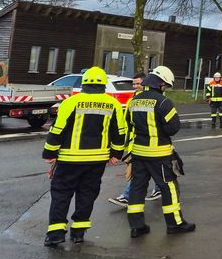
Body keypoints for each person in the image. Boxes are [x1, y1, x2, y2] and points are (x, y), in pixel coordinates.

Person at [43, 66, 127, 247]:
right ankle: (79, 232)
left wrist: (49, 153)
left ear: (84, 83)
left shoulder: (70, 102)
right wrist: (116, 154)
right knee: (87, 194)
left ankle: (56, 234)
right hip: (97, 160)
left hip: (69, 159)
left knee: (61, 194)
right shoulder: (113, 104)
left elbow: (57, 130)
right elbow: (120, 132)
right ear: (104, 84)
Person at [126, 65, 195, 236]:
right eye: (166, 86)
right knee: (169, 187)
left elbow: (129, 126)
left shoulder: (134, 101)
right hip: (159, 154)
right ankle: (175, 224)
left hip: (139, 153)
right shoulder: (163, 102)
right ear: (161, 84)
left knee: (137, 188)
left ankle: (137, 226)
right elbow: (173, 127)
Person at [108, 73, 161, 206]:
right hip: (136, 141)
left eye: (138, 83)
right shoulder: (134, 97)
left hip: (145, 142)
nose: (136, 86)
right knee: (149, 169)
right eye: (134, 83)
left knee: (139, 170)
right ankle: (160, 188)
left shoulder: (153, 98)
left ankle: (127, 196)